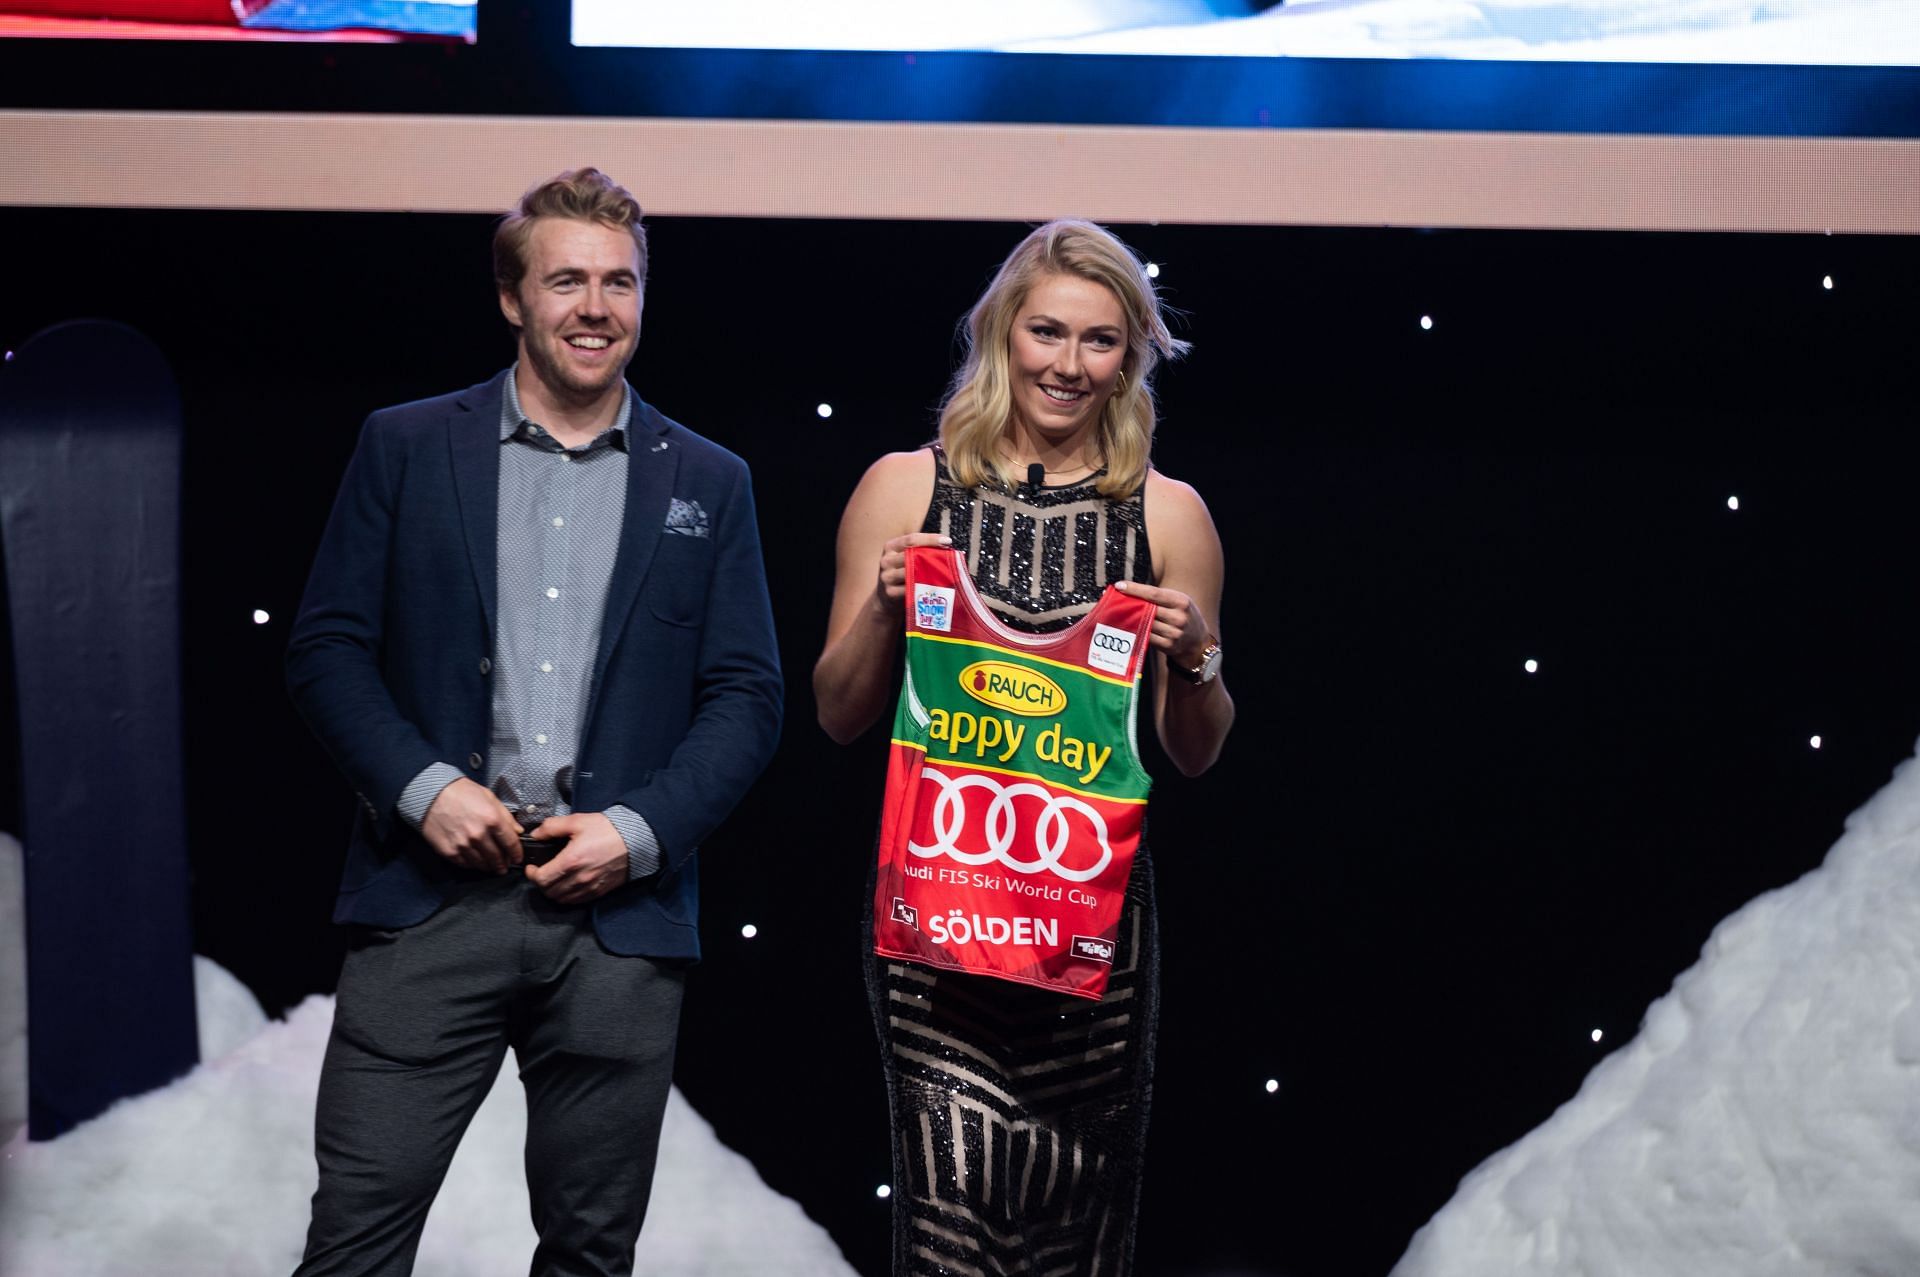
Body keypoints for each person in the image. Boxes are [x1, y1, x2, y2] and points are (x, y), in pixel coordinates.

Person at [284, 167, 782, 1276]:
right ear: (513, 298)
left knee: (590, 1254)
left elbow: (748, 696)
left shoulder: (712, 477)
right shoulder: (407, 445)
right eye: (566, 280)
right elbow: (324, 649)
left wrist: (637, 832)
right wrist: (425, 788)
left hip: (618, 922)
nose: (595, 307)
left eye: (619, 281)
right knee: (354, 1245)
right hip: (427, 906)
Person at [814, 219, 1233, 1273]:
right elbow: (836, 709)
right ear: (1003, 334)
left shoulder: (1170, 517)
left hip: (1092, 947)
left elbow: (1199, 749)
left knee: (1078, 1243)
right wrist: (879, 609)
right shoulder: (905, 489)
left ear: (1131, 356)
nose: (1069, 363)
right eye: (1048, 331)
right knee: (950, 1234)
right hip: (937, 938)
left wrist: (1196, 660)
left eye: (1100, 341)